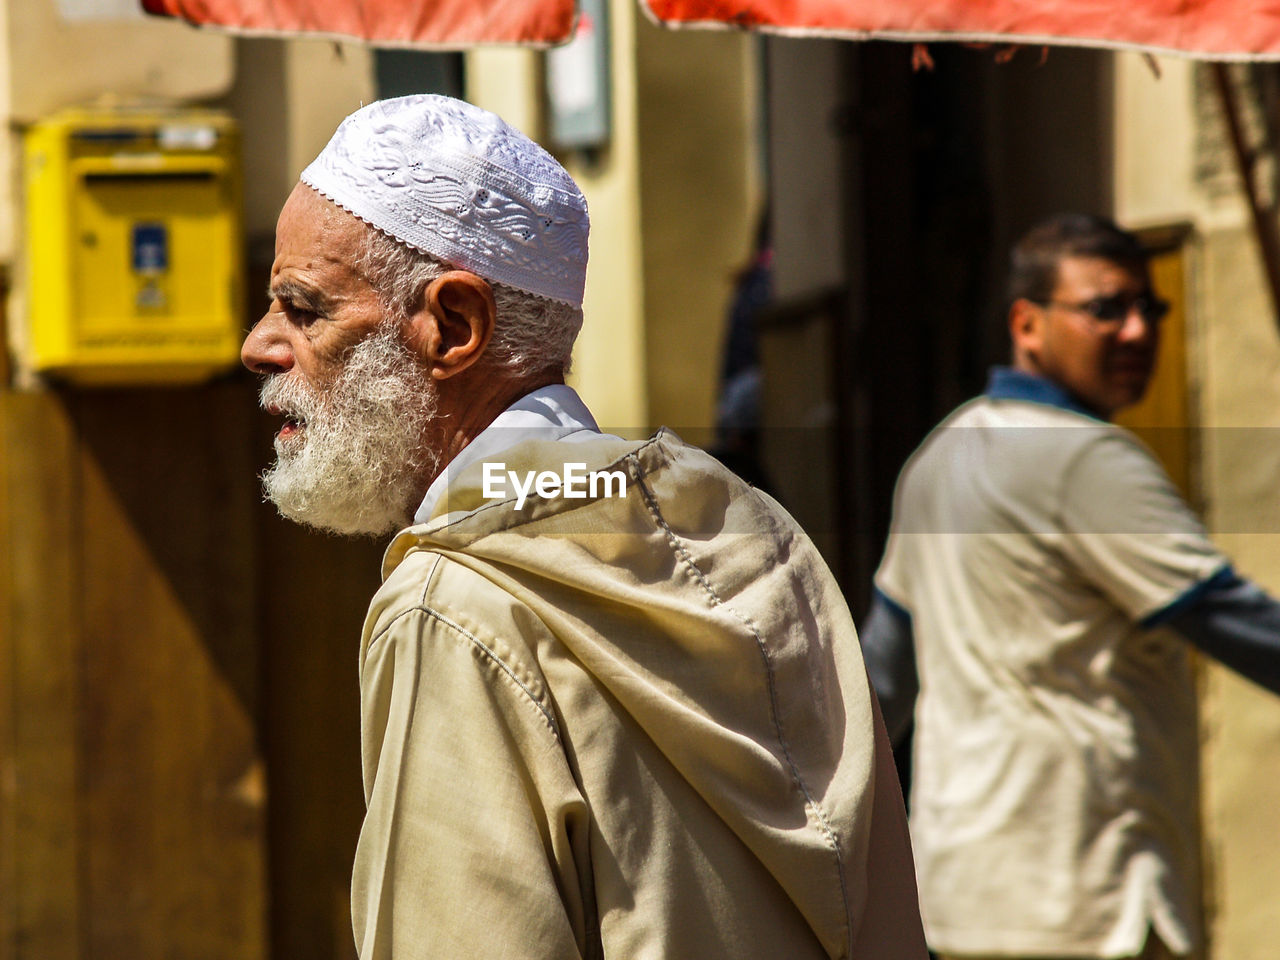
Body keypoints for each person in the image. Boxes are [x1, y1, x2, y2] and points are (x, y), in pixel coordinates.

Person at [241, 94, 927, 959]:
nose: (259, 344)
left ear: (453, 325)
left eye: (303, 309)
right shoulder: (754, 531)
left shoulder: (453, 603)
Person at [861, 213, 1280, 960]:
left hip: (960, 892)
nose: (1135, 331)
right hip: (1086, 897)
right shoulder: (1088, 459)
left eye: (1148, 308)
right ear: (1028, 322)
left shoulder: (940, 453)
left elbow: (879, 685)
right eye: (1104, 309)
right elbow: (1232, 621)